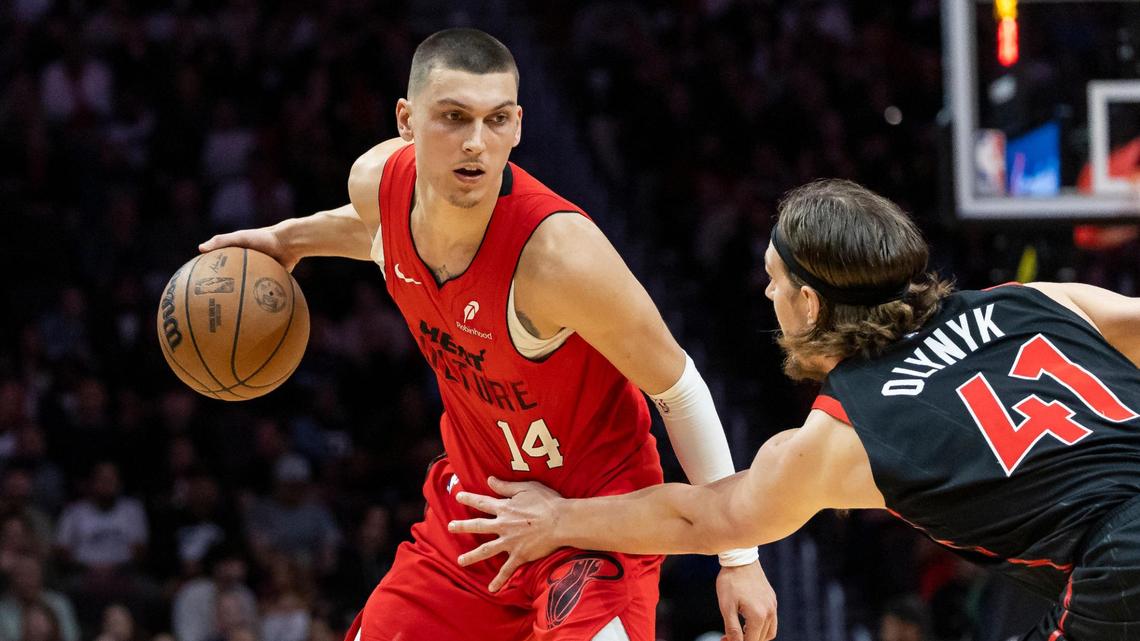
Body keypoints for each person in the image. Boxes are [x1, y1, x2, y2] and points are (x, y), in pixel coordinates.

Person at [199, 27, 776, 641]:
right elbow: (377, 232)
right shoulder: (376, 184)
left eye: (497, 119)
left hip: (593, 520)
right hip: (476, 514)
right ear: (406, 121)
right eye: (453, 117)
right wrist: (286, 240)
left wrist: (738, 558)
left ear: (520, 125)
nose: (476, 143)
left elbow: (679, 388)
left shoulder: (559, 257)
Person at [450, 179, 1140, 641]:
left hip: (1122, 560)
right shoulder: (1036, 299)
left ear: (809, 305)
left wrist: (560, 518)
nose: (765, 296)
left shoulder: (844, 434)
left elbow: (704, 515)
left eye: (773, 282)